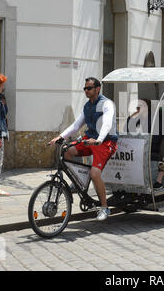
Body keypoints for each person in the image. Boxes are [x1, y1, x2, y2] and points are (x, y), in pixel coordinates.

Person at [49, 77, 118, 221]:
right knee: (67, 151)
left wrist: (99, 140)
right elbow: (76, 125)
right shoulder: (87, 106)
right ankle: (79, 182)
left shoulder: (106, 104)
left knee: (94, 172)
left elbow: (107, 124)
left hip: (105, 142)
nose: (86, 91)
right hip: (89, 140)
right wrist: (60, 137)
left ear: (97, 89)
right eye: (85, 88)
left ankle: (104, 208)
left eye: (89, 88)